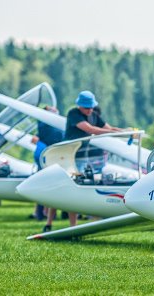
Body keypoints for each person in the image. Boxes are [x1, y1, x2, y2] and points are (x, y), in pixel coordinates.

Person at [57, 90, 124, 229]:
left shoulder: (93, 115)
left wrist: (123, 132)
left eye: (91, 107)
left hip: (84, 158)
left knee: (86, 187)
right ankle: (71, 225)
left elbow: (108, 128)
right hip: (69, 158)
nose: (90, 110)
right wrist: (112, 132)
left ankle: (93, 220)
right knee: (72, 190)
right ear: (80, 106)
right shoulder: (73, 114)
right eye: (87, 108)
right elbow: (91, 129)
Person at [30, 106, 65, 232]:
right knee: (50, 186)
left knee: (47, 186)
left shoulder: (45, 126)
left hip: (51, 158)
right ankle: (42, 213)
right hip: (50, 158)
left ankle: (44, 214)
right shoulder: (48, 125)